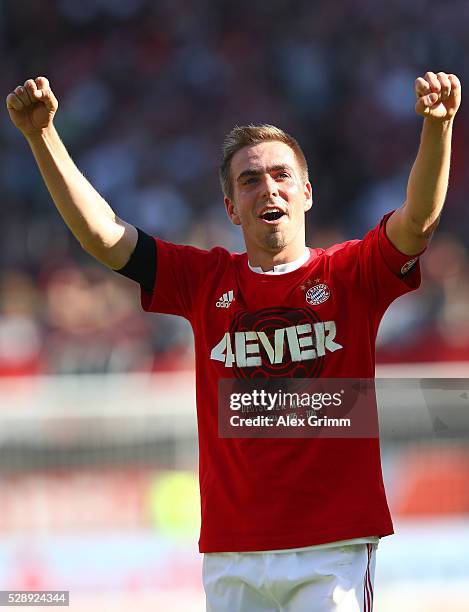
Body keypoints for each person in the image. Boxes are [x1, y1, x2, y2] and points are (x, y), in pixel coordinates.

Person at [6, 71, 461, 611]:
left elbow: (418, 223)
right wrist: (43, 137)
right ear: (230, 208)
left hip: (330, 551)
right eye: (249, 180)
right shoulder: (205, 281)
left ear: (306, 193)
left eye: (281, 175)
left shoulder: (350, 274)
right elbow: (105, 236)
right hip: (231, 556)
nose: (268, 187)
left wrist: (439, 126)